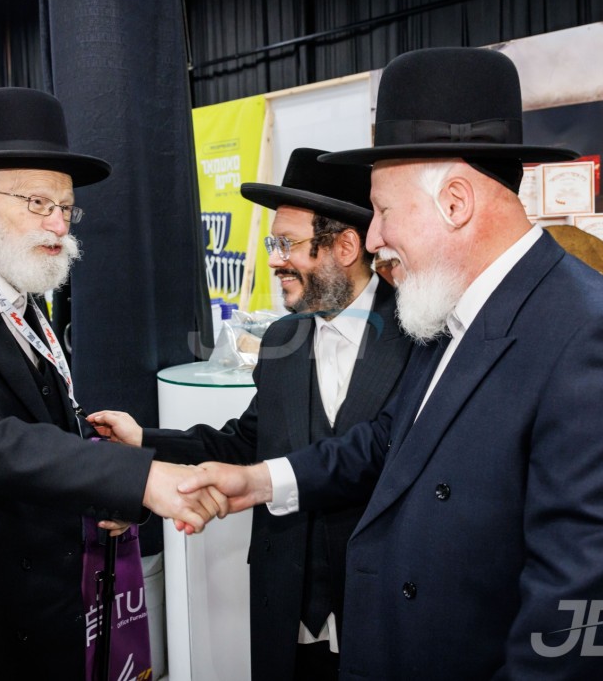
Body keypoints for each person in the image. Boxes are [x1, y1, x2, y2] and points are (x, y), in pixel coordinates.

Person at [178, 48, 603, 679]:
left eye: (384, 211)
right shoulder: (447, 318)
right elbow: (387, 442)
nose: (373, 239)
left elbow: (581, 627)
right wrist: (260, 482)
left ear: (454, 202)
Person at [0, 87, 224, 681]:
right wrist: (135, 477)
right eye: (37, 203)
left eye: (66, 208)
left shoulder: (20, 288)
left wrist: (104, 481)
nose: (58, 224)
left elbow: (29, 418)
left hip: (42, 595)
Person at [88, 148, 412, 681]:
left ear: (346, 246)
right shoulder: (282, 339)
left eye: (288, 244)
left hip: (382, 610)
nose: (275, 260)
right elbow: (247, 441)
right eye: (272, 244)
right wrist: (144, 438)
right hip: (284, 607)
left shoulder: (420, 333)